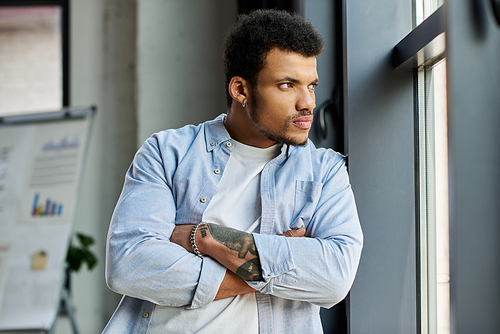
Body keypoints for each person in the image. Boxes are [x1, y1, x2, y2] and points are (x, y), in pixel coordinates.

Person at [102, 9, 363, 334]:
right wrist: (275, 263)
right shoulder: (167, 153)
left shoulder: (326, 173)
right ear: (241, 90)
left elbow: (334, 278)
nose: (307, 102)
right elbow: (129, 265)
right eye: (287, 85)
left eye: (311, 85)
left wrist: (205, 238)